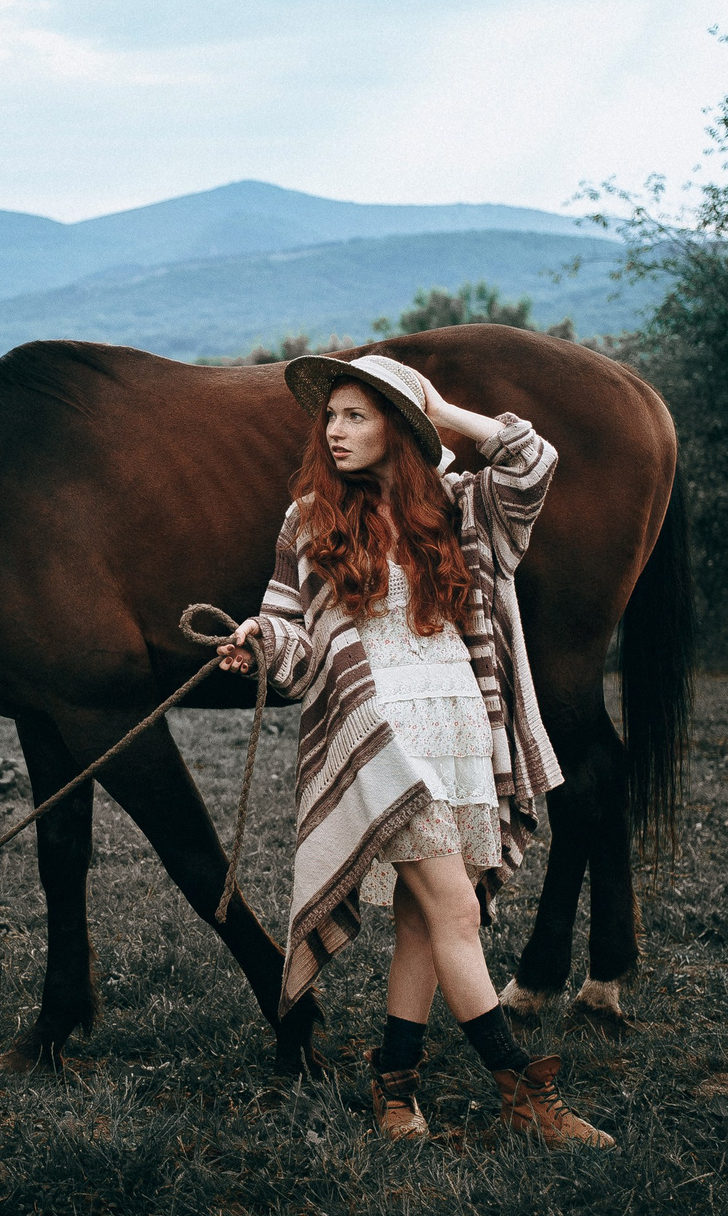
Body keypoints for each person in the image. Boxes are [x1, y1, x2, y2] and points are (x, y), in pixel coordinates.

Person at [215, 353, 613, 1149]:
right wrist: (261, 640)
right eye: (330, 416)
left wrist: (444, 410)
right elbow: (292, 629)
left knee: (424, 921)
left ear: (398, 425)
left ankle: (394, 1086)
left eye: (356, 415)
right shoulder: (307, 518)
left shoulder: (463, 505)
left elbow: (535, 460)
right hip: (380, 733)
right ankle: (523, 1094)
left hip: (464, 726)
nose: (334, 430)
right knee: (458, 911)